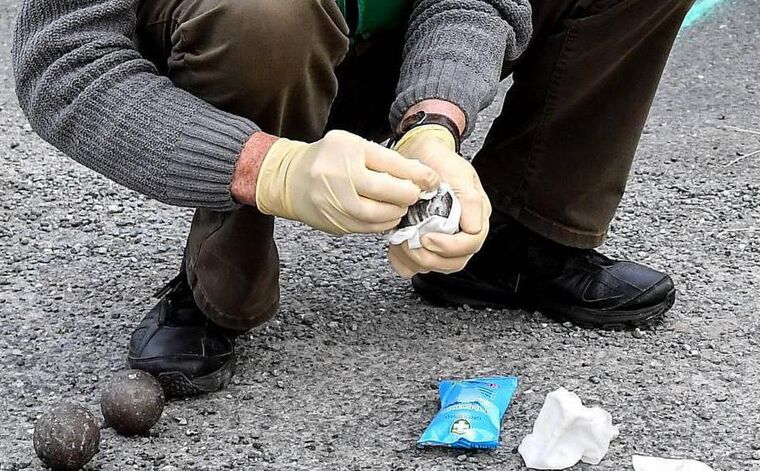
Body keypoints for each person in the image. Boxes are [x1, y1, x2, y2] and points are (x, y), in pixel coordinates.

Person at [11, 0, 694, 396]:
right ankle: (223, 279)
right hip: (246, 47)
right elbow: (66, 59)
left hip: (386, 43)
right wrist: (269, 168)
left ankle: (520, 239)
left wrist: (434, 124)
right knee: (265, 18)